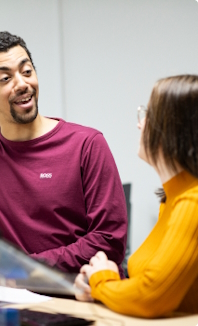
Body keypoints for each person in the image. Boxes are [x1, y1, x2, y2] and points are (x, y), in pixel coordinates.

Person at [0, 31, 127, 277]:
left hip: (79, 297)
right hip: (13, 300)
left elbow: (109, 243)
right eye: (6, 78)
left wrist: (24, 270)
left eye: (27, 71)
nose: (22, 84)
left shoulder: (87, 144)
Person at [74, 74, 198, 317]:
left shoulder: (192, 203)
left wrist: (102, 282)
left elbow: (150, 297)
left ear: (174, 129)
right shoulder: (172, 201)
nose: (140, 124)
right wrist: (100, 286)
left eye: (149, 115)